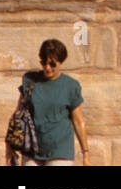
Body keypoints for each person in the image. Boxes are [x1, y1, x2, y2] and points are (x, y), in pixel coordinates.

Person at [5, 38, 90, 167]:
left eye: (52, 64)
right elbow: (17, 115)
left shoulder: (70, 86)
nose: (47, 67)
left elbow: (78, 121)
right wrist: (9, 146)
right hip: (32, 148)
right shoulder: (30, 81)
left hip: (60, 150)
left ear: (61, 62)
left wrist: (86, 154)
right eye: (44, 62)